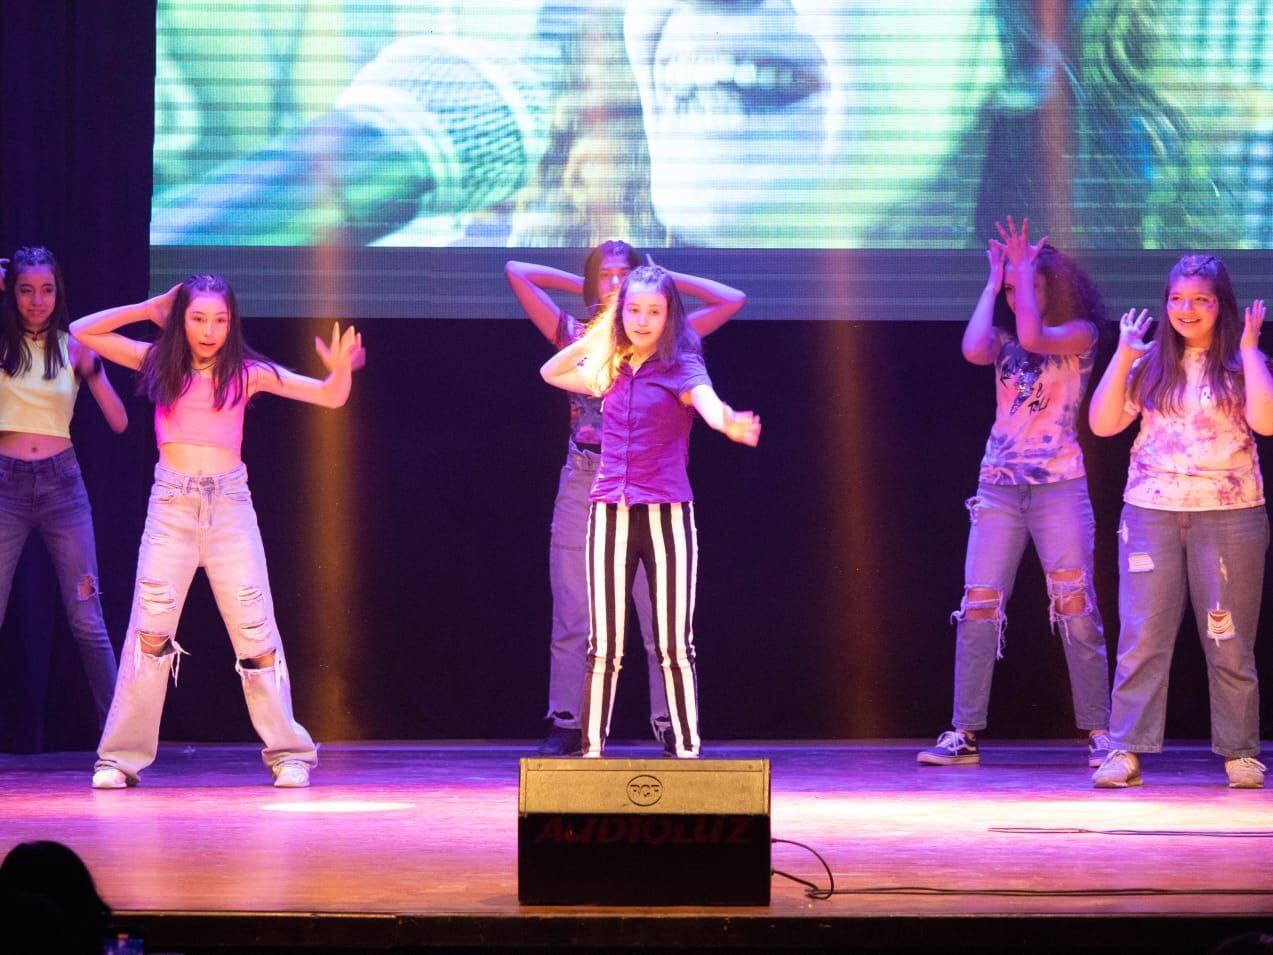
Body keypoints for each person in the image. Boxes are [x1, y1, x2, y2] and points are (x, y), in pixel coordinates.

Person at [71, 275, 362, 789]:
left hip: (230, 506)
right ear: (180, 320)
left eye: (220, 319)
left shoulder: (248, 373)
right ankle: (119, 758)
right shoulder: (158, 362)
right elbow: (82, 330)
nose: (209, 330)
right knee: (150, 633)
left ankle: (288, 750)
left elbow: (330, 397)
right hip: (171, 506)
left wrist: (340, 372)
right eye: (198, 318)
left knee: (256, 629)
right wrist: (147, 304)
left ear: (233, 322)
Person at [508, 243, 744, 755]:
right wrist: (601, 299)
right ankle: (570, 722)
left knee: (658, 613)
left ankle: (670, 724)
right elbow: (517, 272)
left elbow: (731, 299)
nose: (619, 284)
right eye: (608, 276)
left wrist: (658, 278)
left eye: (627, 275)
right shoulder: (586, 337)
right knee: (577, 608)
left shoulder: (668, 336)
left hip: (655, 486)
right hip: (588, 481)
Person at [918, 218, 1112, 767]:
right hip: (999, 488)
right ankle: (963, 731)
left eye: (1026, 285)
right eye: (1011, 289)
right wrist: (992, 281)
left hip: (1059, 487)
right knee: (978, 603)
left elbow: (1035, 337)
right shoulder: (1003, 342)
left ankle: (1099, 730)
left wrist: (1023, 270)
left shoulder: (1080, 335)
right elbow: (973, 348)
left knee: (1074, 603)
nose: (1015, 294)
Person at [1088, 254, 1268, 789]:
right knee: (1142, 636)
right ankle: (1125, 749)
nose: (1186, 310)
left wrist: (1252, 351)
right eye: (1176, 299)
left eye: (1200, 300)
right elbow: (1101, 424)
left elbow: (1267, 420)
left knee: (1229, 637)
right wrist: (1122, 355)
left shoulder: (1240, 363)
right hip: (1151, 512)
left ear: (1221, 305)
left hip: (1231, 514)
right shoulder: (1149, 364)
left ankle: (1239, 751)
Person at [0, 247, 128, 728]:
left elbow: (118, 422)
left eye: (47, 290)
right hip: (6, 488)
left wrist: (93, 371)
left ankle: (119, 739)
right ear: (12, 292)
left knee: (87, 620)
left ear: (59, 293)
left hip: (62, 489)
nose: (37, 301)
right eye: (26, 289)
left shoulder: (73, 348)